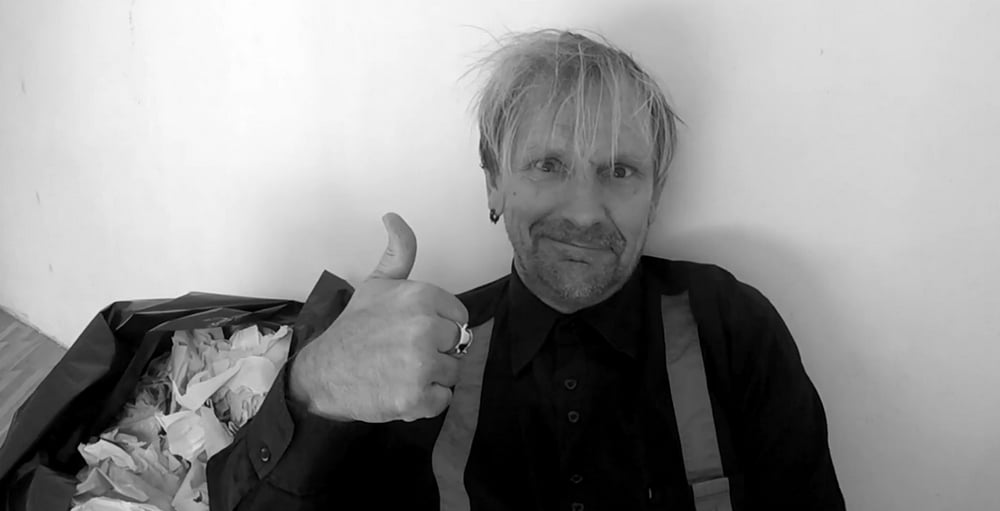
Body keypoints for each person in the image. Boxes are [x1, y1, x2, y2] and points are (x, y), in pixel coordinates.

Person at [207, 29, 845, 510]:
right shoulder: (415, 353)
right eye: (548, 165)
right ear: (494, 183)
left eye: (619, 171)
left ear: (655, 194)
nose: (585, 211)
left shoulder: (730, 327)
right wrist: (316, 386)